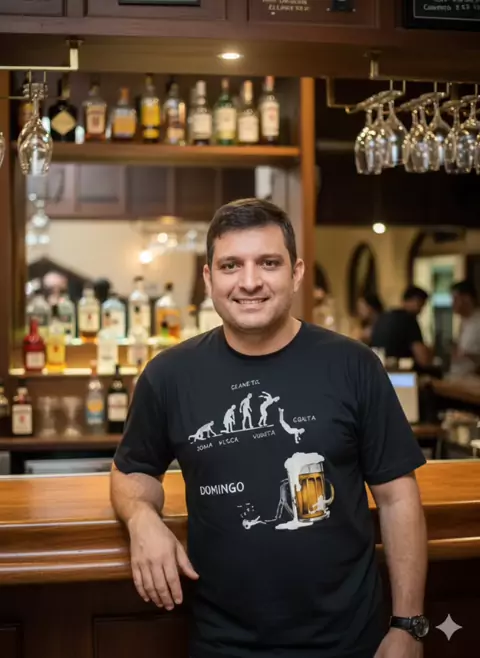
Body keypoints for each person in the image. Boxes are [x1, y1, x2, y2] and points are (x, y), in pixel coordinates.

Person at [111, 198, 428, 658]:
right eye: (231, 265)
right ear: (209, 279)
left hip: (349, 641)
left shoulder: (353, 364)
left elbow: (398, 497)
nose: (249, 281)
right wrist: (141, 518)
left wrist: (409, 626)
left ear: (296, 273)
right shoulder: (169, 375)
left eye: (268, 263)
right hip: (222, 644)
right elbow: (131, 470)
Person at [370, 285, 432, 369]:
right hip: (403, 372)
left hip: (380, 370)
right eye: (422, 304)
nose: (421, 309)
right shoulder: (409, 320)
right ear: (416, 301)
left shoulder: (383, 317)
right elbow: (422, 359)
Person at [449, 279, 480, 376]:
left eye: (455, 299)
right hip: (458, 378)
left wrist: (468, 355)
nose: (452, 303)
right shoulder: (464, 321)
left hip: (473, 380)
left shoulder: (477, 322)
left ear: (467, 298)